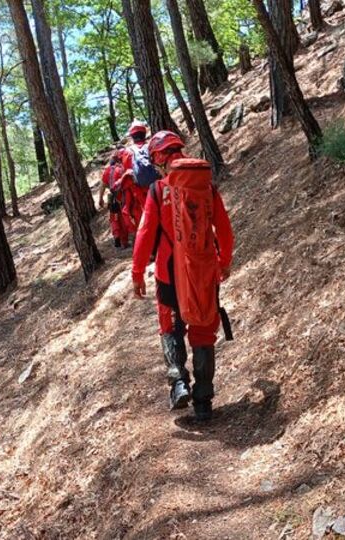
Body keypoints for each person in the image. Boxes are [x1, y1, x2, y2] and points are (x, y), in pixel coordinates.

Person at [131, 131, 234, 421]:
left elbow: (144, 233)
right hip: (204, 270)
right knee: (203, 329)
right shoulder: (207, 187)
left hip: (168, 272)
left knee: (170, 325)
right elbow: (224, 229)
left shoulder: (157, 190)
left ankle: (178, 383)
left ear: (158, 160)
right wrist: (224, 262)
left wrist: (137, 272)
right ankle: (203, 401)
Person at [98, 149, 129, 248]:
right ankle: (124, 242)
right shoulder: (122, 169)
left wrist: (100, 198)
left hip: (112, 198)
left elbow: (102, 185)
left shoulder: (107, 171)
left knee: (114, 218)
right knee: (122, 219)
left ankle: (116, 235)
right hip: (123, 197)